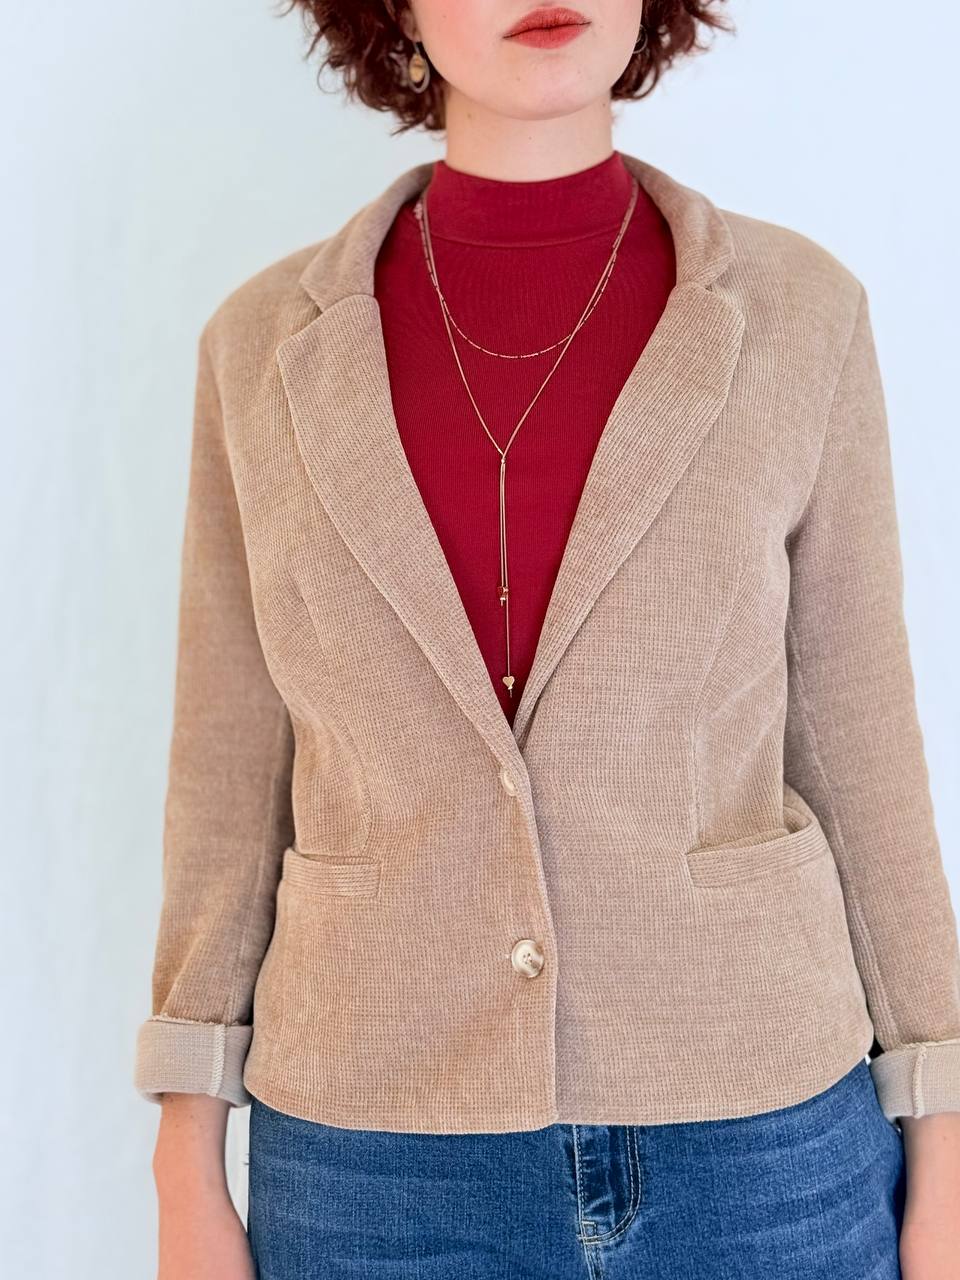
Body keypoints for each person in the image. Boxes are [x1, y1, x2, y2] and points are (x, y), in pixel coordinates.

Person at [135, 2, 960, 1277]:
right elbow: (228, 768)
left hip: (758, 1138)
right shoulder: (260, 348)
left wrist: (947, 1139)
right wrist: (184, 1152)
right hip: (376, 1155)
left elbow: (860, 744)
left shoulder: (800, 314)